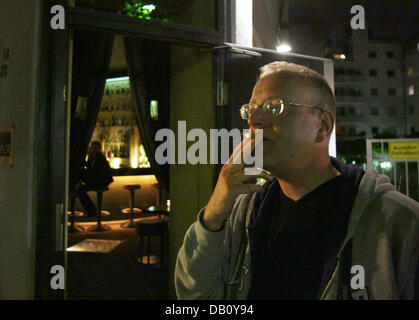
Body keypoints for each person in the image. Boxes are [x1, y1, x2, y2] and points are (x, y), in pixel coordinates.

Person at [175, 62, 419, 300]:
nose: (254, 121)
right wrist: (213, 217)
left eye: (274, 107)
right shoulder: (244, 209)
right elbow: (194, 296)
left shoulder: (397, 221)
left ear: (322, 126)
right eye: (250, 110)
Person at [73, 141, 114, 217]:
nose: (89, 149)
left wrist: (81, 181)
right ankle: (92, 211)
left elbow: (92, 172)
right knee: (80, 189)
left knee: (80, 190)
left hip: (102, 181)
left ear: (95, 149)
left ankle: (92, 211)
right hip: (98, 180)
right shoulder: (92, 157)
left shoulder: (99, 157)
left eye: (91, 147)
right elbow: (90, 170)